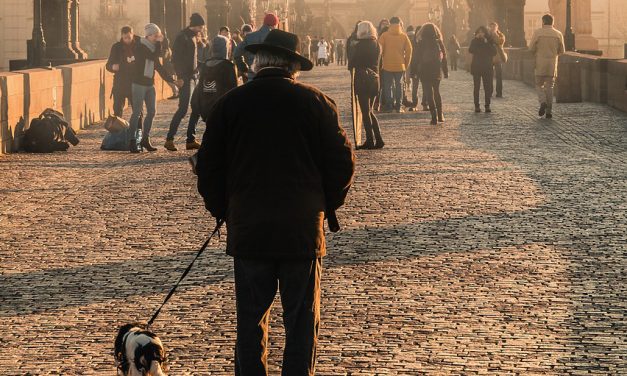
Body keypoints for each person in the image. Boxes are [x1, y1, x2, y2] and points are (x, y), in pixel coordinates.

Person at [196, 29, 355, 375]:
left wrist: (223, 210)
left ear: (256, 63)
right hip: (301, 229)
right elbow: (343, 165)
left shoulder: (229, 104)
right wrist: (325, 205)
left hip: (250, 227)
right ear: (293, 67)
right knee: (301, 323)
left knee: (250, 323)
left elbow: (207, 168)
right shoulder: (317, 103)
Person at [128, 23, 179, 153]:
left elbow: (159, 67)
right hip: (138, 84)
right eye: (156, 36)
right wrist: (159, 43)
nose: (158, 38)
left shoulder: (153, 47)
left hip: (149, 84)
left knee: (152, 112)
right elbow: (154, 56)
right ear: (149, 35)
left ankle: (145, 139)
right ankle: (132, 141)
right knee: (137, 113)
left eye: (158, 35)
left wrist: (172, 81)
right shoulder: (140, 47)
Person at [165, 13, 206, 151]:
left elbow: (191, 59)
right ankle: (169, 139)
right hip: (186, 78)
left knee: (196, 108)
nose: (201, 29)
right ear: (195, 25)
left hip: (193, 77)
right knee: (182, 109)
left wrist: (202, 64)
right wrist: (180, 77)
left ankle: (190, 139)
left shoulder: (192, 36)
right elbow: (175, 59)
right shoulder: (182, 37)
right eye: (200, 27)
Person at [349, 21, 384, 149]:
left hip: (363, 80)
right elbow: (380, 64)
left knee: (365, 112)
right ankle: (379, 139)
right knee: (369, 111)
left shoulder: (359, 46)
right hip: (375, 80)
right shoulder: (377, 45)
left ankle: (370, 140)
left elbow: (351, 64)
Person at [193, 35, 238, 123]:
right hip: (222, 110)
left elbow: (201, 88)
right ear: (225, 49)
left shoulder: (205, 65)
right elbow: (233, 90)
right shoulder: (228, 66)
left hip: (206, 109)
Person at [529, 14, 565, 119]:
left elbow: (531, 48)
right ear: (552, 22)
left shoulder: (538, 33)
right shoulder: (558, 34)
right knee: (550, 87)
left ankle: (542, 101)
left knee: (538, 85)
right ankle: (549, 112)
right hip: (552, 64)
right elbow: (562, 50)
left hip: (540, 63)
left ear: (543, 21)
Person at [414, 23, 448, 125]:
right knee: (436, 91)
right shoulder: (439, 42)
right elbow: (444, 57)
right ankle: (440, 114)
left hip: (424, 70)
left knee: (429, 93)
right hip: (436, 69)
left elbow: (416, 59)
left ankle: (433, 117)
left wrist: (415, 71)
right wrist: (445, 71)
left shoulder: (420, 42)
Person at [378, 16, 413, 113]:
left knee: (388, 86)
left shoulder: (384, 35)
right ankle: (399, 106)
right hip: (400, 65)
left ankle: (389, 106)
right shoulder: (404, 36)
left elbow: (379, 50)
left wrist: (381, 61)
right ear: (399, 24)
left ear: (390, 24)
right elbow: (409, 51)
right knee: (399, 86)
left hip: (387, 65)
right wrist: (405, 64)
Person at [106, 26, 140, 117]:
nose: (127, 40)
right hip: (120, 83)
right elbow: (108, 65)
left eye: (129, 37)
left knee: (138, 110)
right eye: (125, 38)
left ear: (133, 35)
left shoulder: (139, 46)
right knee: (117, 109)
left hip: (135, 83)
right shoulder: (116, 47)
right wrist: (113, 67)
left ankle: (139, 129)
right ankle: (118, 130)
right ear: (122, 36)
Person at [233, 13, 280, 80]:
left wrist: (244, 68)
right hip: (271, 78)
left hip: (253, 77)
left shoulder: (250, 37)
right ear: (274, 25)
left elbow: (236, 53)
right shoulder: (276, 39)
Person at [468, 26, 497, 113]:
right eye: (479, 32)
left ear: (485, 33)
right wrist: (476, 41)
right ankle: (477, 106)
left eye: (482, 32)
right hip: (477, 67)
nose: (481, 34)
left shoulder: (489, 41)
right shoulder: (474, 41)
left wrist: (486, 43)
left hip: (487, 67)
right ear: (477, 33)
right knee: (476, 87)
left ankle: (487, 105)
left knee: (487, 87)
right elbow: (471, 50)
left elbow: (494, 52)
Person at [489, 22, 506, 98]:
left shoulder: (501, 35)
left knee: (499, 76)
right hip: (489, 58)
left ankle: (499, 93)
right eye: (491, 27)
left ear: (497, 28)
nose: (492, 29)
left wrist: (494, 34)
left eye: (494, 27)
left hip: (498, 58)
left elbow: (500, 42)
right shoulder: (487, 36)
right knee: (489, 76)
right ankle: (489, 92)